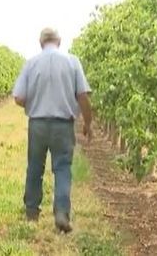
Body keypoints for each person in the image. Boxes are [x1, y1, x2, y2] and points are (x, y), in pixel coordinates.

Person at [12, 27, 92, 233]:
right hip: (63, 125)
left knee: (35, 167)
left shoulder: (31, 63)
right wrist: (87, 123)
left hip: (37, 124)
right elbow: (83, 96)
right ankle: (62, 214)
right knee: (63, 168)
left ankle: (31, 212)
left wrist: (34, 104)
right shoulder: (72, 62)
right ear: (59, 41)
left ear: (40, 42)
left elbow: (19, 98)